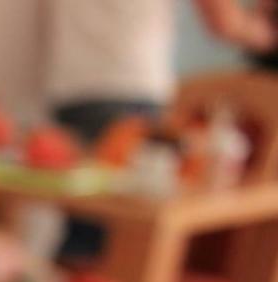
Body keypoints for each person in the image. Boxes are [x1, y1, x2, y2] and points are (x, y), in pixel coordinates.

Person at [43, 0, 278, 261]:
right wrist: (266, 34)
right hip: (130, 89)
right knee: (114, 242)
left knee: (87, 229)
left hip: (71, 89)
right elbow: (226, 23)